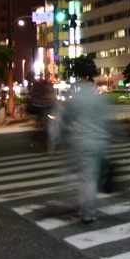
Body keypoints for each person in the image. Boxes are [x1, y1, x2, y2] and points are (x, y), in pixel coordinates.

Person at [49, 77, 115, 224]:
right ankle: (87, 208)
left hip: (81, 141)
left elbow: (63, 119)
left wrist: (54, 140)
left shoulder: (76, 100)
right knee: (92, 176)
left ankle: (85, 211)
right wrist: (117, 139)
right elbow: (110, 122)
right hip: (99, 142)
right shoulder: (100, 100)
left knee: (84, 176)